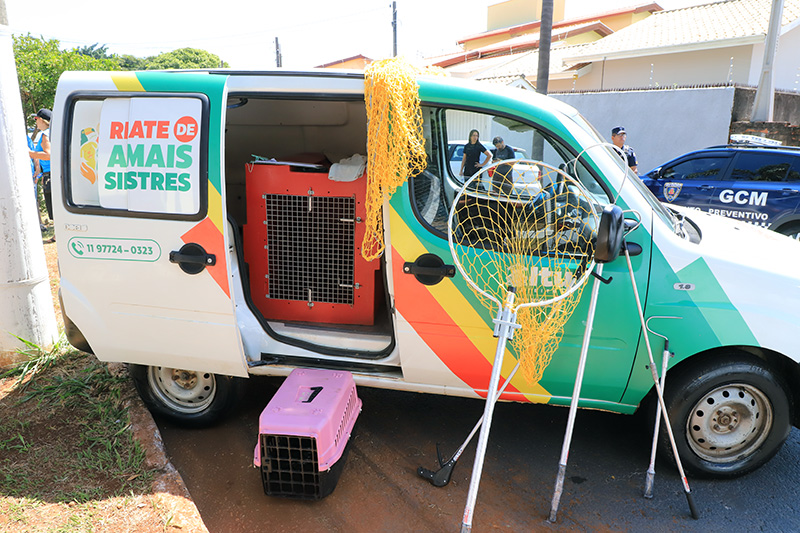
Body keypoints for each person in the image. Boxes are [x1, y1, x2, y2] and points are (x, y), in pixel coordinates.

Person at [29, 109, 53, 237]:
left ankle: (57, 235)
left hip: (50, 174)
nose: (35, 121)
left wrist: (30, 153)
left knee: (52, 208)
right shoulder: (52, 132)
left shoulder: (45, 135)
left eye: (36, 119)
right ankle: (56, 235)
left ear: (42, 120)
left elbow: (48, 155)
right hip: (52, 173)